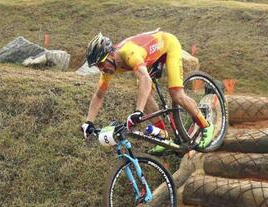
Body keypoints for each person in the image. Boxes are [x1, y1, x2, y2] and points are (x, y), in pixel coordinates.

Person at [80, 30, 214, 154]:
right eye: (98, 66)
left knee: (176, 94)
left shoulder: (130, 53)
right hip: (150, 55)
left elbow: (145, 79)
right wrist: (89, 121)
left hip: (168, 45)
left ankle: (206, 125)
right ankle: (163, 135)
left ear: (111, 54)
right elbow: (99, 95)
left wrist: (138, 111)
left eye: (101, 64)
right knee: (145, 93)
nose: (101, 69)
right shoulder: (109, 66)